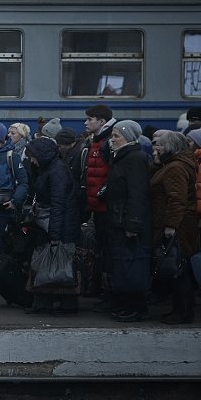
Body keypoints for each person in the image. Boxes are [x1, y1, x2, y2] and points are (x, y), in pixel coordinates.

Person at [24, 138, 81, 316]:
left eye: (34, 157)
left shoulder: (56, 171)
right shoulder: (49, 168)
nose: (32, 161)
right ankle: (44, 302)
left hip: (58, 224)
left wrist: (54, 233)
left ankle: (67, 303)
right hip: (52, 222)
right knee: (47, 263)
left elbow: (59, 203)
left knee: (60, 263)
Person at [103, 120, 152, 323]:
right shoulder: (121, 157)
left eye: (116, 136)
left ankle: (136, 307)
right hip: (118, 219)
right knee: (123, 264)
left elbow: (137, 194)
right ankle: (126, 304)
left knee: (132, 265)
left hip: (128, 221)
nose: (111, 140)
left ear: (128, 137)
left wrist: (133, 223)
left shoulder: (134, 158)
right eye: (112, 136)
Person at [149, 131, 198, 324]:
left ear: (171, 147)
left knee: (178, 268)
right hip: (177, 224)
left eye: (160, 145)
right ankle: (181, 310)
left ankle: (183, 312)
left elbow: (176, 199)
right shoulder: (170, 165)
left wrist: (170, 225)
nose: (156, 148)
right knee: (178, 267)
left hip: (176, 226)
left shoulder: (175, 168)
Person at [83, 104, 116, 310]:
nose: (85, 122)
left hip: (106, 207)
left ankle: (110, 295)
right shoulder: (100, 140)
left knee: (108, 251)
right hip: (99, 205)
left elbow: (111, 174)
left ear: (102, 122)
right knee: (103, 250)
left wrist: (101, 195)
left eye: (90, 119)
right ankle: (106, 293)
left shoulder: (106, 142)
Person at [0, 122, 29, 260]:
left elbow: (23, 182)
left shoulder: (11, 157)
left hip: (3, 206)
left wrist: (15, 201)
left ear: (1, 138)